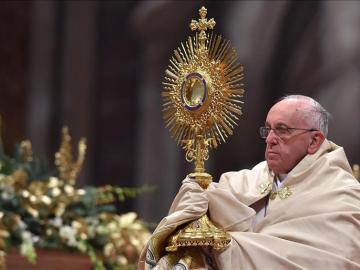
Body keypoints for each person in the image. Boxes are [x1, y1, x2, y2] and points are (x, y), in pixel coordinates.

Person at [138, 95, 360, 269]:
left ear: (314, 141)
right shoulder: (244, 181)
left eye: (283, 130)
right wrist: (199, 197)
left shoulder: (342, 195)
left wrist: (229, 247)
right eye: (268, 129)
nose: (271, 139)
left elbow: (329, 261)